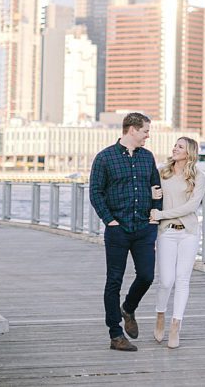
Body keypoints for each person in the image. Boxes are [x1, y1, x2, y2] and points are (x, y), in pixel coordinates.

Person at [89, 112, 162, 352]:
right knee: (114, 281)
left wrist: (155, 214)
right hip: (117, 230)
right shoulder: (105, 158)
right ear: (132, 129)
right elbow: (96, 193)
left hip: (143, 228)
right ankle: (115, 334)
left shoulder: (147, 157)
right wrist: (109, 220)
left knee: (147, 275)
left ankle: (128, 308)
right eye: (145, 131)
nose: (147, 136)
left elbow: (156, 188)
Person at [150, 136, 205, 349]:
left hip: (189, 232)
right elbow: (154, 197)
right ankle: (160, 315)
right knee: (166, 280)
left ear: (189, 152)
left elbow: (192, 206)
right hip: (167, 232)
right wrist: (152, 195)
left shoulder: (198, 177)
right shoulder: (163, 172)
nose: (175, 148)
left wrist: (162, 213)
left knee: (183, 280)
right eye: (175, 145)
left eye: (180, 146)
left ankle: (175, 325)